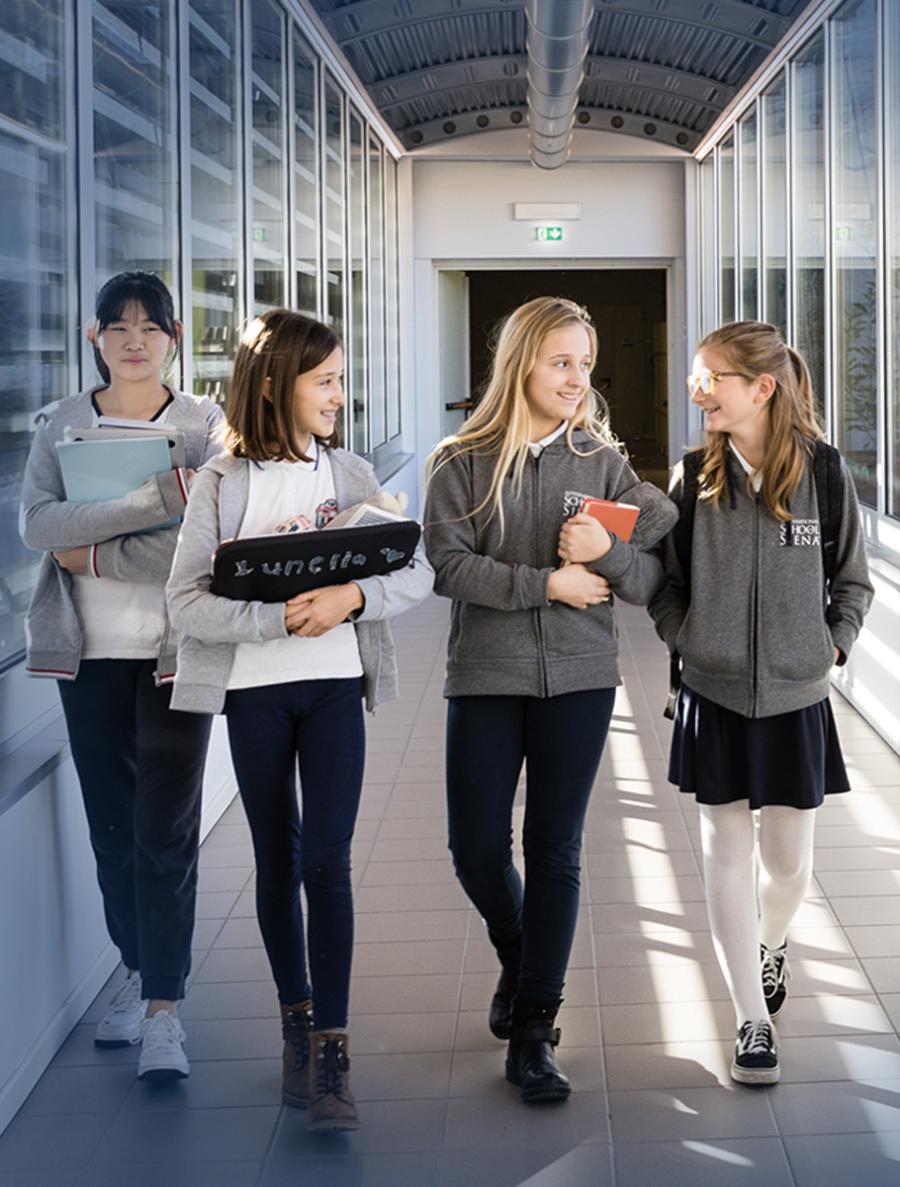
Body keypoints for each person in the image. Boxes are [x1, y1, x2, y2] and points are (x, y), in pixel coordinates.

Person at [165, 308, 433, 1131]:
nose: (340, 397)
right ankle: (296, 1020)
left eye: (343, 381)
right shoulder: (220, 483)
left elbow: (415, 570)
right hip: (255, 692)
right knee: (276, 861)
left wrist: (353, 596)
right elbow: (184, 601)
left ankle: (334, 1051)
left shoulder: (349, 475)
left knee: (328, 860)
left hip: (330, 689)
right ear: (275, 384)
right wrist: (273, 621)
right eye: (328, 382)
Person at [423, 296, 677, 1103]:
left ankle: (535, 1028)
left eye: (586, 364)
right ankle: (521, 948)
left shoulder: (603, 461)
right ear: (523, 363)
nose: (577, 379)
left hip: (579, 678)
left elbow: (644, 581)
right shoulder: (460, 458)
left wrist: (609, 554)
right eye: (561, 361)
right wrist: (547, 583)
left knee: (556, 848)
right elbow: (448, 567)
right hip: (487, 675)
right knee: (474, 847)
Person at [649, 320, 873, 1086]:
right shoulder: (692, 476)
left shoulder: (825, 473)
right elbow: (668, 584)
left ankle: (771, 945)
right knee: (725, 851)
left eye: (711, 377)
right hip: (713, 693)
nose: (697, 390)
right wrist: (690, 638)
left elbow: (853, 582)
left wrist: (830, 646)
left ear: (761, 388)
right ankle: (751, 1017)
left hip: (796, 694)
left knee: (788, 863)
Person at [20, 271, 223, 1080]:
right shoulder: (63, 422)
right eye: (117, 326)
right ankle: (137, 973)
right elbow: (38, 525)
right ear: (94, 338)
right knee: (112, 827)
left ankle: (166, 1011)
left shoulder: (204, 425)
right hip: (88, 653)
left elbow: (204, 542)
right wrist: (155, 497)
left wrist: (94, 547)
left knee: (164, 829)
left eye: (150, 326)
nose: (133, 339)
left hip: (178, 653)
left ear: (174, 337)